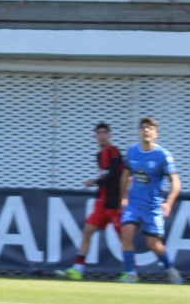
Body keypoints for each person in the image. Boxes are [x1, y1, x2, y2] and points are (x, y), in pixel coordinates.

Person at [118, 116, 183, 284]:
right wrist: (123, 197)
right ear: (139, 132)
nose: (146, 130)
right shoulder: (132, 151)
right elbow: (126, 175)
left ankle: (170, 269)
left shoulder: (163, 155)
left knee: (153, 244)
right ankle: (131, 272)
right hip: (134, 204)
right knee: (126, 234)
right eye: (143, 128)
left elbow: (175, 181)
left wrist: (168, 202)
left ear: (156, 134)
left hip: (152, 206)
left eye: (150, 128)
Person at [64, 123, 125, 279]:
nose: (102, 135)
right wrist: (98, 185)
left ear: (109, 135)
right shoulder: (98, 155)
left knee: (123, 238)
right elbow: (105, 177)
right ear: (95, 137)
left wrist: (95, 182)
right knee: (87, 232)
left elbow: (114, 177)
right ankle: (77, 269)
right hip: (101, 202)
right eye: (99, 133)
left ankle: (131, 270)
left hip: (114, 203)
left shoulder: (114, 153)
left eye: (105, 132)